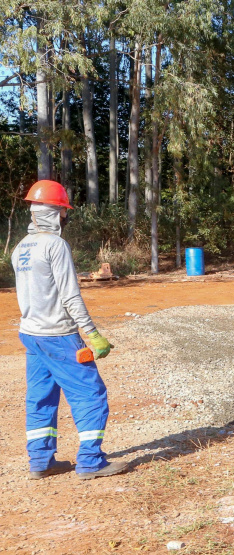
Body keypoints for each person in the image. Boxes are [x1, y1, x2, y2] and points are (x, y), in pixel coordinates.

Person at [13, 180, 125, 480]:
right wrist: (92, 334)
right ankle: (91, 461)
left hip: (31, 334)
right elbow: (70, 296)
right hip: (58, 335)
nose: (65, 216)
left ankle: (40, 460)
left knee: (41, 397)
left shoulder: (20, 247)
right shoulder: (55, 245)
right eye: (64, 211)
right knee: (90, 393)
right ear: (54, 212)